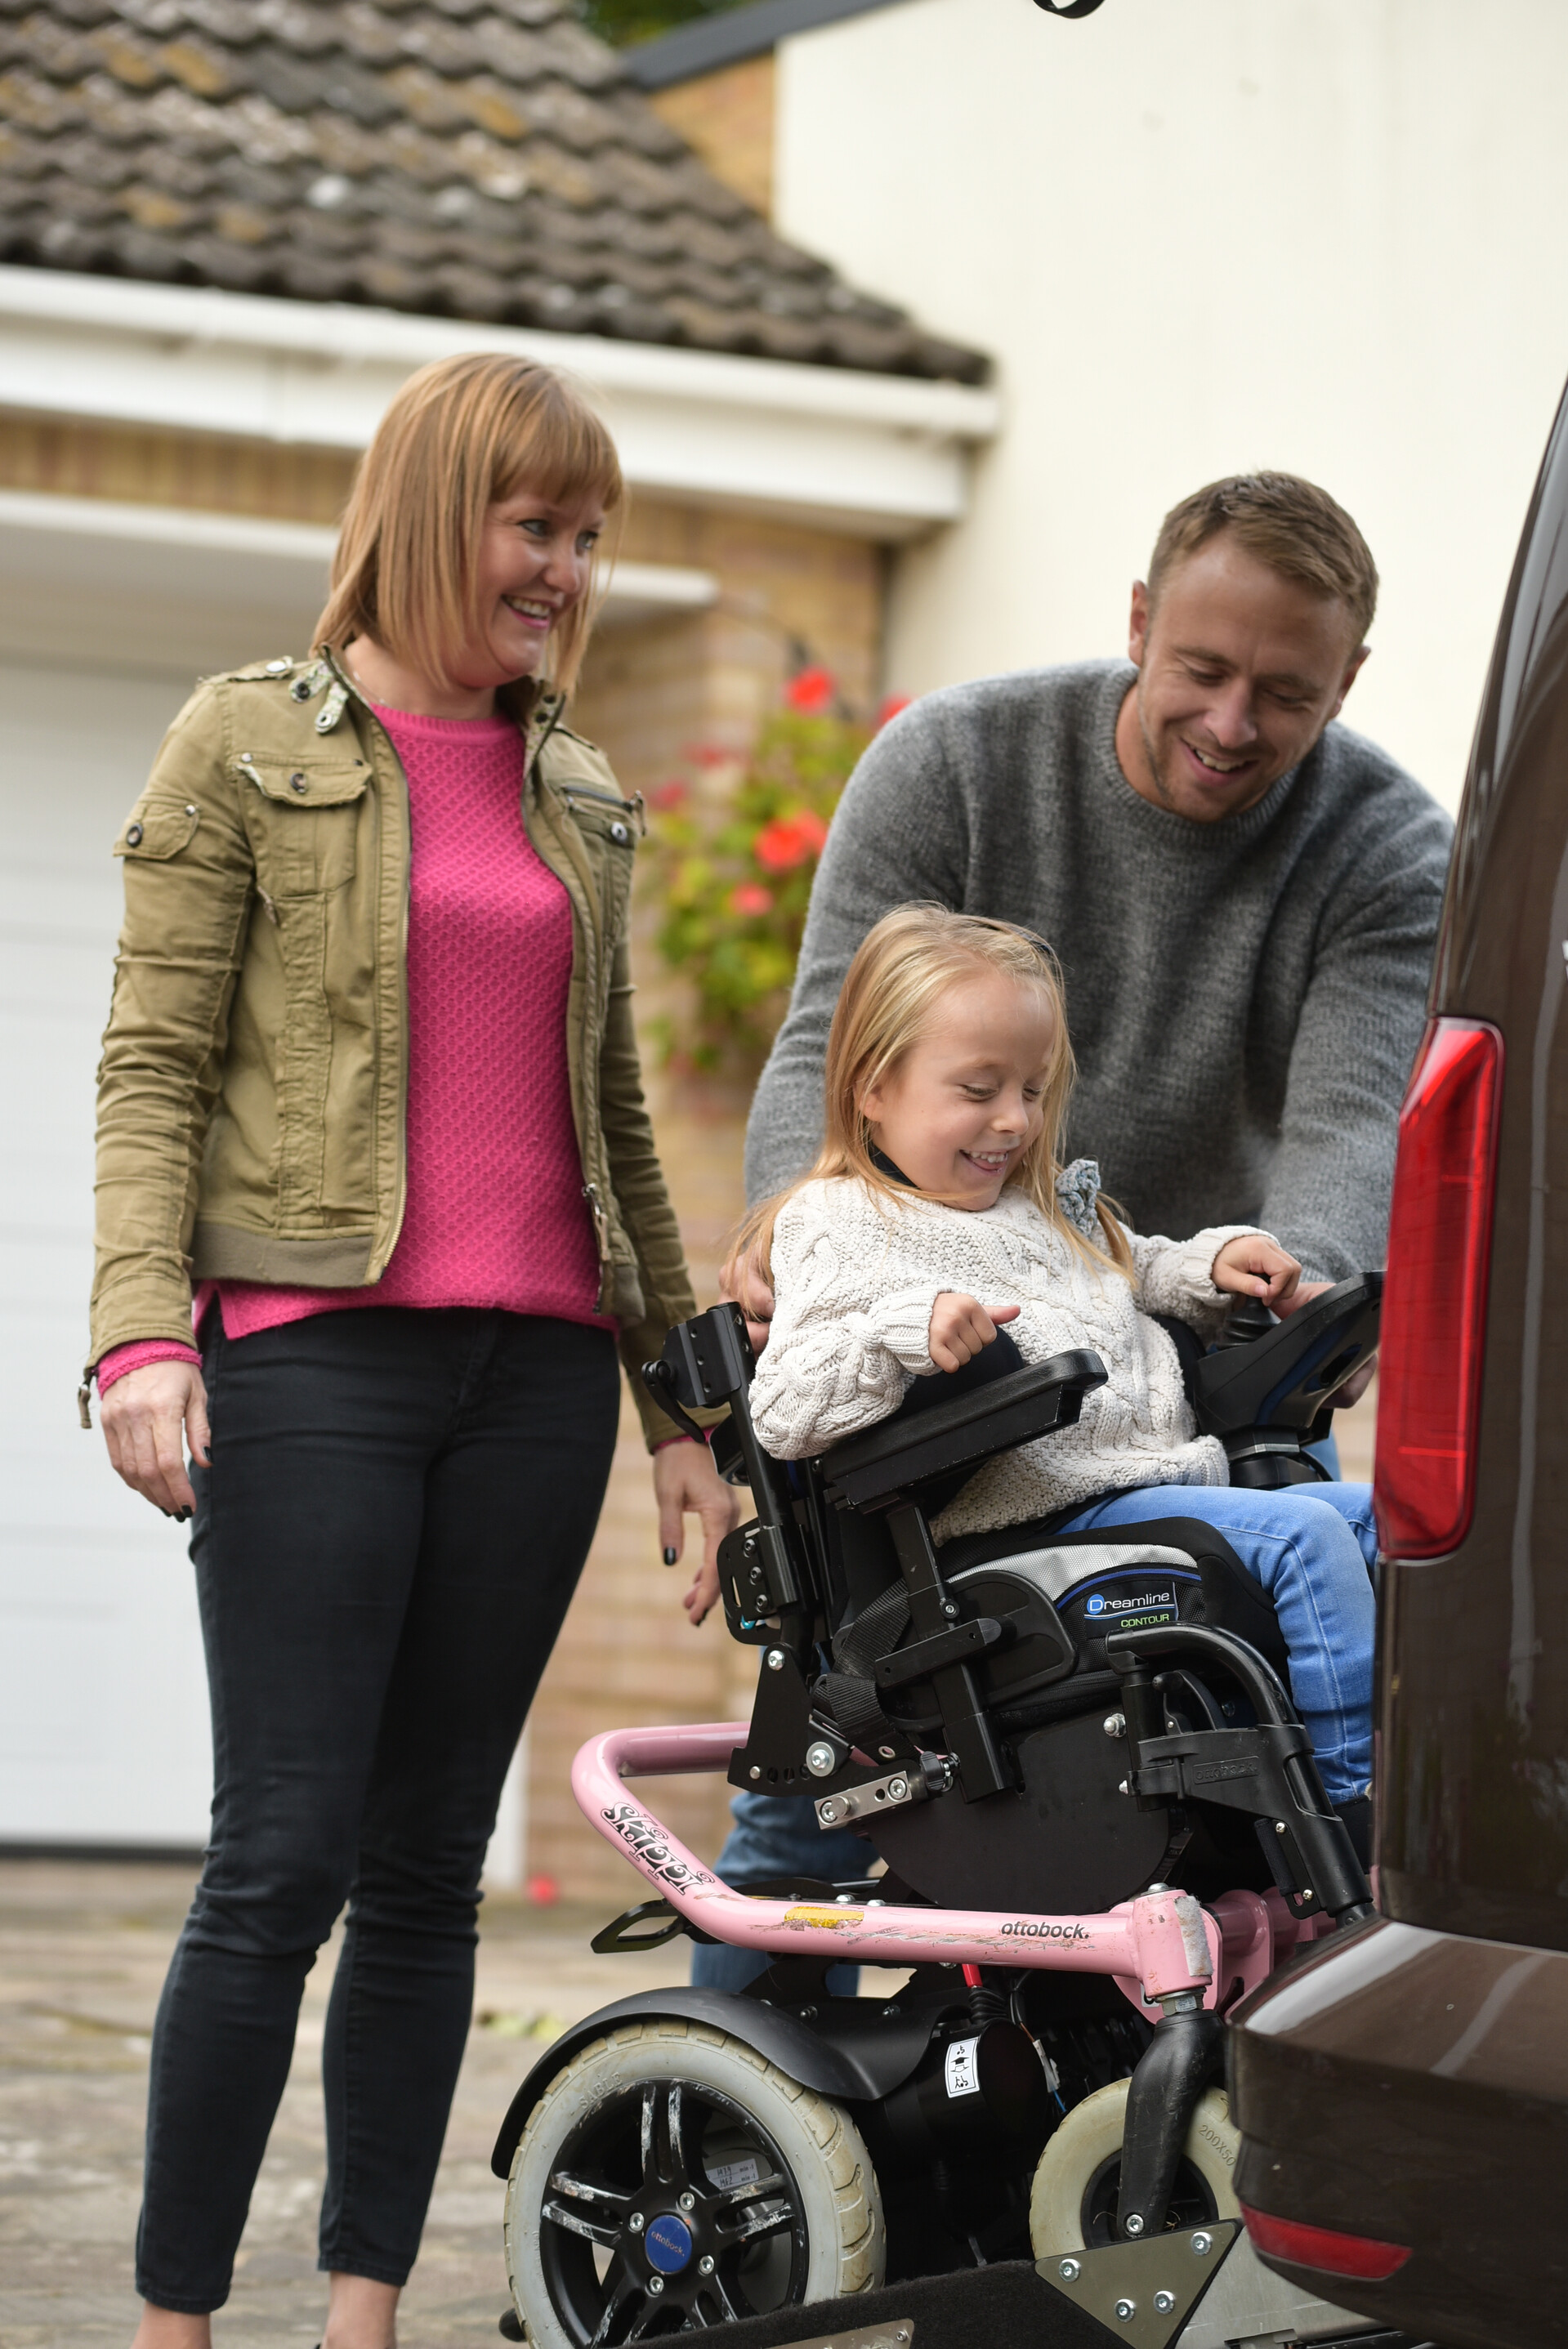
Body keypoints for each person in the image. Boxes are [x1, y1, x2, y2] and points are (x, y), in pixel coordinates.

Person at [87, 353, 738, 2349]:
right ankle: (175, 2317)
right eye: (534, 523)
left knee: (432, 1863)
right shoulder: (243, 742)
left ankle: (365, 2309)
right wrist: (137, 1334)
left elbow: (614, 1125)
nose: (565, 566)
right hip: (315, 1360)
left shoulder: (587, 790)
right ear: (437, 506)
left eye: (589, 534)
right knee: (279, 1855)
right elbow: (154, 1068)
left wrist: (681, 1414)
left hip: (531, 1382)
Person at [695, 470, 1450, 1985]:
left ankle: (1280, 1975)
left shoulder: (1378, 848)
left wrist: (1288, 1302)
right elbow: (823, 1053)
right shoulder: (954, 767)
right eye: (1201, 671)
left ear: (1346, 684)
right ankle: (743, 2033)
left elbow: (1343, 1138)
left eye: (1282, 694)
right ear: (1135, 625)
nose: (1231, 723)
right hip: (944, 1342)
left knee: (1310, 1610)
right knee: (852, 1746)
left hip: (1154, 1327)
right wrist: (807, 1252)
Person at [740, 904, 1376, 1808]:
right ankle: (1358, 1808)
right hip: (1037, 1527)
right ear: (871, 1087)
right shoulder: (840, 1221)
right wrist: (903, 1334)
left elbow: (1133, 1265)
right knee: (1308, 1538)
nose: (1014, 1120)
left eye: (1033, 1090)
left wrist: (1209, 1266)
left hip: (1160, 1492)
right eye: (978, 1089)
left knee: (1394, 1521)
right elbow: (786, 1410)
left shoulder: (1040, 1206)